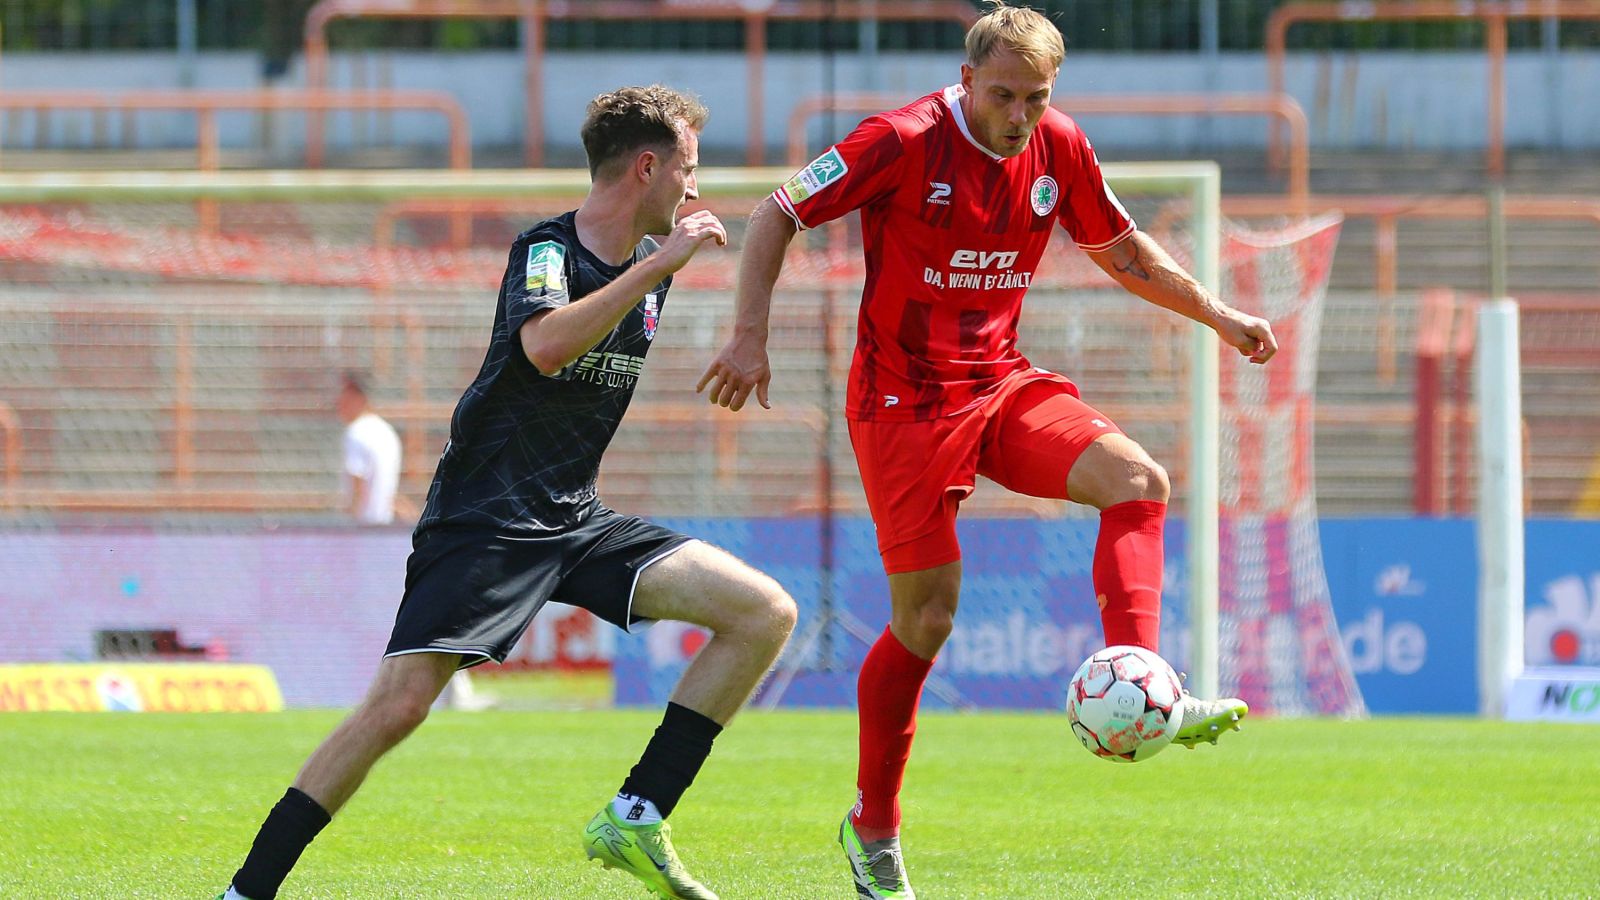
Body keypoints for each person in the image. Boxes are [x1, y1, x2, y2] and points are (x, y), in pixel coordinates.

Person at [697, 4, 1269, 898]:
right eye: (1002, 95)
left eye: (1035, 98)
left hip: (997, 382)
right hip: (901, 404)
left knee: (1138, 481)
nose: (1018, 116)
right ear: (967, 81)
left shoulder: (1060, 147)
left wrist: (1222, 317)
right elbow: (777, 213)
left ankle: (1142, 677)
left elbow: (1123, 254)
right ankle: (873, 828)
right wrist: (749, 335)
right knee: (927, 620)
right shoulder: (900, 139)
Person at [219, 85, 797, 900]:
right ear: (646, 166)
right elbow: (547, 346)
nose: (694, 190)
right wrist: (660, 266)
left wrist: (739, 331)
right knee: (398, 709)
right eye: (688, 170)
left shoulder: (649, 266)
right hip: (485, 520)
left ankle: (637, 810)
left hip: (577, 519)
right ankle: (248, 890)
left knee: (764, 612)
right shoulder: (549, 250)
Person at [334, 371, 408, 526]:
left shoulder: (356, 432)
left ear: (358, 398)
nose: (338, 403)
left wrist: (347, 526)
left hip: (362, 529)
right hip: (382, 528)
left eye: (344, 397)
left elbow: (357, 484)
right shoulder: (386, 431)